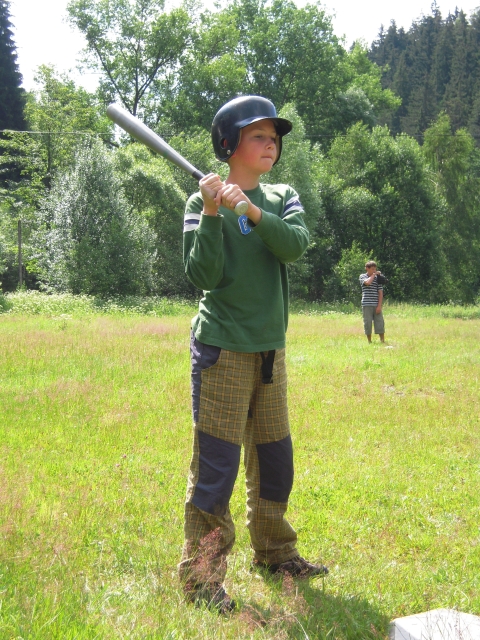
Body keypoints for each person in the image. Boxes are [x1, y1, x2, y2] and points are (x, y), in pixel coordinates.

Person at [179, 95, 328, 614]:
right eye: (259, 136)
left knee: (274, 460)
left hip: (270, 352)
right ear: (229, 144)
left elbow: (294, 245)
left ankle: (276, 554)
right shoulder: (200, 202)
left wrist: (251, 210)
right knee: (216, 468)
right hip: (221, 350)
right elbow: (204, 275)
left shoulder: (283, 196)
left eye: (274, 137)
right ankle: (201, 580)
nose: (271, 144)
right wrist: (215, 210)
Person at [359, 260, 385, 343]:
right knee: (368, 323)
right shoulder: (362, 276)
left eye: (375, 269)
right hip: (366, 304)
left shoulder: (378, 278)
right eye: (372, 269)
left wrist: (379, 306)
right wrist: (374, 275)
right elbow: (367, 283)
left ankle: (382, 340)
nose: (374, 271)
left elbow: (380, 293)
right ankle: (369, 341)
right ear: (367, 268)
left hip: (376, 304)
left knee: (380, 322)